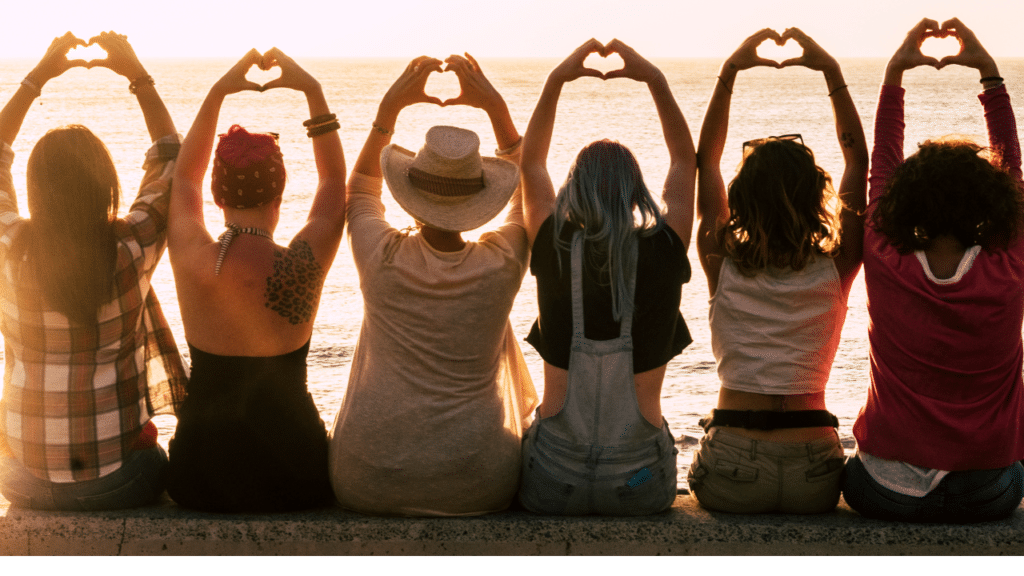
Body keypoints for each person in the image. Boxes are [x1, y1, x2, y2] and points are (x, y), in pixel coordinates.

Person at [328, 54, 538, 516]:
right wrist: (495, 109)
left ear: (411, 195)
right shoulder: (502, 262)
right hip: (479, 481)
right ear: (480, 198)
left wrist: (390, 109)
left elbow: (360, 189)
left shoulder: (380, 257)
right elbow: (531, 194)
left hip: (366, 477)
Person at [842, 18, 1024, 523]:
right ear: (994, 204)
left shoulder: (885, 257)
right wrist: (989, 74)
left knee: (849, 473)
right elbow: (1012, 169)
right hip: (986, 490)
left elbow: (882, 164)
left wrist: (896, 71)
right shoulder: (1009, 264)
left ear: (906, 202)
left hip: (885, 489)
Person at [0, 32, 187, 510]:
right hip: (120, 481)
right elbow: (170, 156)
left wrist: (38, 76)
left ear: (35, 189)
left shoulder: (9, 250)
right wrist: (136, 75)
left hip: (23, 481)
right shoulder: (131, 247)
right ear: (106, 185)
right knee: (165, 458)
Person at [686, 28, 868, 514]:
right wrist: (830, 71)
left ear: (741, 198)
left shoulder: (720, 262)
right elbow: (858, 159)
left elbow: (705, 163)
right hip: (815, 467)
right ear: (815, 195)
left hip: (733, 463)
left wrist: (730, 72)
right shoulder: (838, 266)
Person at [516, 39, 695, 516]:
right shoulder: (664, 247)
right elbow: (683, 163)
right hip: (637, 481)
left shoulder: (554, 241)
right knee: (651, 456)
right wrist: (653, 79)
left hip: (554, 478)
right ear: (637, 189)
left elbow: (530, 165)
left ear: (572, 187)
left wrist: (557, 80)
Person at [164, 49, 345, 512]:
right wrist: (312, 90)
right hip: (296, 472)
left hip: (198, 473)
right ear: (281, 189)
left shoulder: (194, 259)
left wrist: (218, 93)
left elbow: (184, 175)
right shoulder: (304, 261)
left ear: (217, 192)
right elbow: (332, 182)